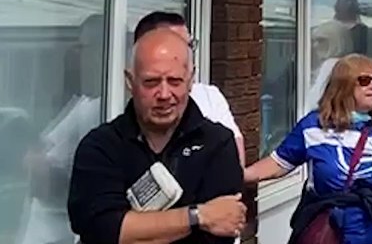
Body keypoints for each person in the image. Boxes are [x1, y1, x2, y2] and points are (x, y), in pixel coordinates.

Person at [68, 30, 246, 244]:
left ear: (191, 81)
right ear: (129, 81)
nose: (163, 94)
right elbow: (102, 230)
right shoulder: (100, 147)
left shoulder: (217, 143)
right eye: (151, 82)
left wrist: (135, 227)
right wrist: (197, 216)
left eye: (174, 81)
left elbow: (222, 228)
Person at [246, 54, 372, 244]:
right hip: (335, 235)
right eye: (364, 80)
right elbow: (278, 163)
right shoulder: (313, 127)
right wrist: (237, 175)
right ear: (343, 87)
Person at [19, 14, 107, 244]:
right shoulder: (85, 104)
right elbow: (37, 154)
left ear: (103, 51)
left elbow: (48, 180)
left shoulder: (109, 110)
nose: (76, 59)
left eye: (82, 49)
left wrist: (43, 173)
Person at [133, 11, 246, 165]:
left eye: (190, 45)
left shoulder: (209, 96)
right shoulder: (110, 131)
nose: (165, 95)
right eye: (151, 81)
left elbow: (234, 163)